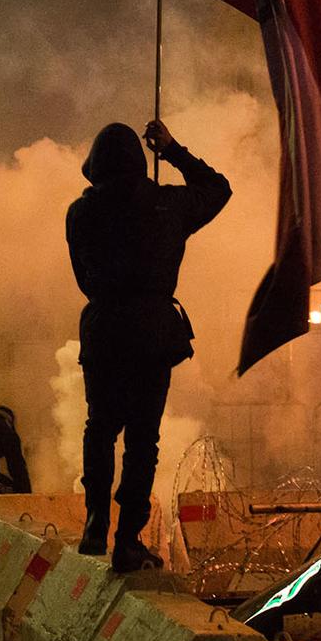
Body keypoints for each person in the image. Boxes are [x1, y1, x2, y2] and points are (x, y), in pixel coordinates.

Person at [66, 118, 230, 572]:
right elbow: (218, 188)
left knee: (99, 428)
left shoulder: (80, 213)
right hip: (153, 333)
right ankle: (128, 540)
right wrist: (172, 149)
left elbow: (83, 276)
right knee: (143, 439)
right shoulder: (168, 204)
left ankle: (95, 521)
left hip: (102, 330)